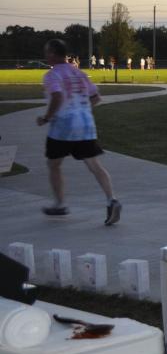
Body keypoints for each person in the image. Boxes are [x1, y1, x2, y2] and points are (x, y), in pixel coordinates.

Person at [36, 39, 121, 224]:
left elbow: (57, 97)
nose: (45, 55)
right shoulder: (80, 73)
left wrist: (46, 118)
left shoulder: (51, 75)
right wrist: (81, 108)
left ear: (52, 53)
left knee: (54, 164)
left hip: (63, 128)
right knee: (94, 165)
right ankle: (111, 200)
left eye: (46, 52)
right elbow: (96, 97)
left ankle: (60, 204)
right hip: (86, 125)